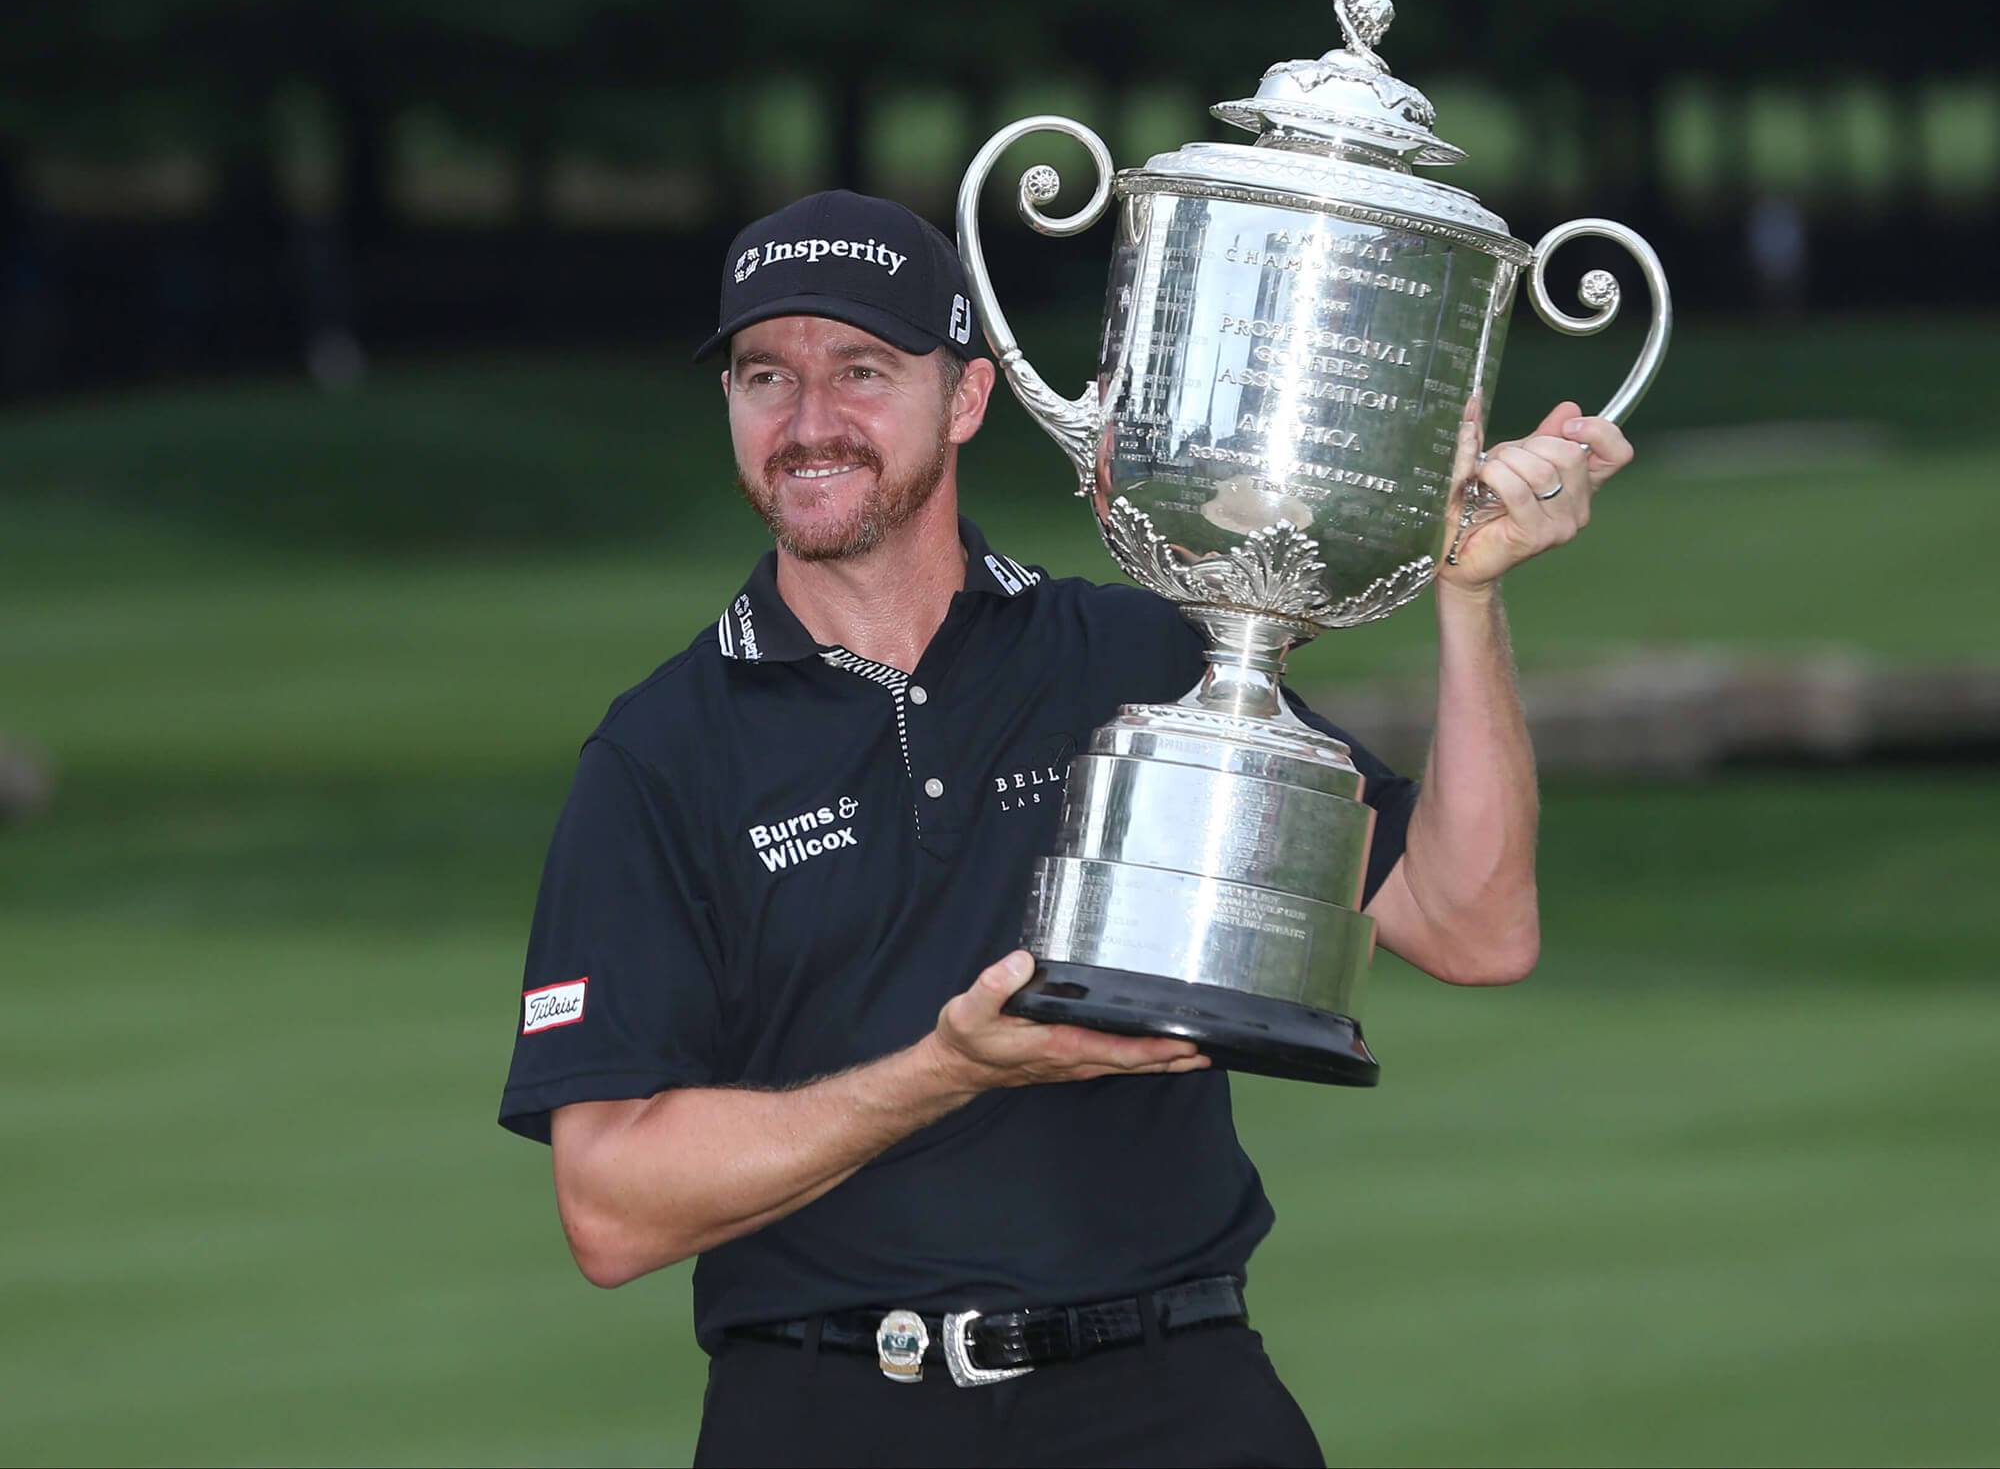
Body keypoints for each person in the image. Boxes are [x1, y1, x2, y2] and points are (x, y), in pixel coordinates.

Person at [499, 189, 1632, 1467]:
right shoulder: (660, 752)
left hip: (1170, 1396)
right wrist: (951, 1066)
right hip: (833, 1413)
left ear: (968, 397)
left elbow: (1471, 925)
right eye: (765, 376)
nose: (809, 422)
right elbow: (609, 1209)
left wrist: (1465, 605)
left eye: (862, 370)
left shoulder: (1135, 652)